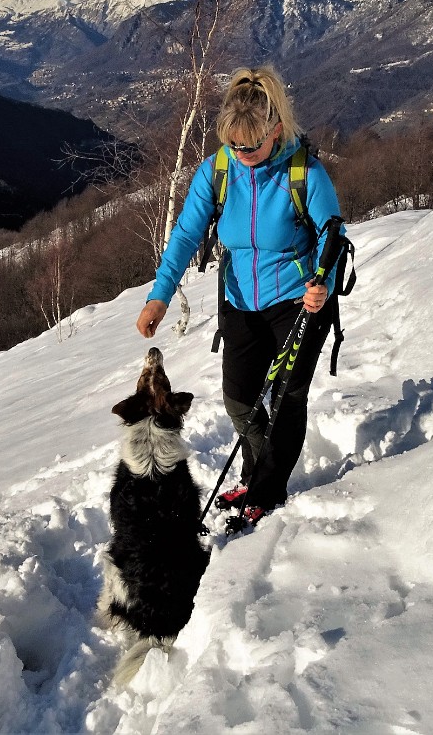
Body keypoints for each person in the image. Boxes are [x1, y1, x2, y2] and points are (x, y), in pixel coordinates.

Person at [135, 66, 344, 529]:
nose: (243, 153)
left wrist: (322, 282)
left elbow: (334, 232)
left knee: (288, 397)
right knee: (240, 400)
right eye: (234, 145)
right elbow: (186, 235)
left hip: (298, 302)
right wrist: (159, 297)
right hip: (240, 303)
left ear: (276, 129)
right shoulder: (218, 171)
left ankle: (267, 490)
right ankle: (255, 474)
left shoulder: (303, 171)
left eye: (252, 144)